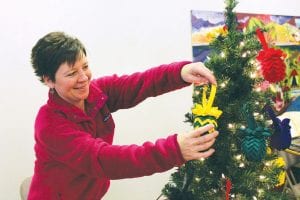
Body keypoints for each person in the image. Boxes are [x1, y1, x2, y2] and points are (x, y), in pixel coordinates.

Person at [28, 31, 219, 200]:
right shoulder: (50, 124)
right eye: (71, 74)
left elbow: (139, 83)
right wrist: (174, 149)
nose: (84, 78)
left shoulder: (95, 93)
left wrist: (180, 72)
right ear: (49, 80)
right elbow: (105, 159)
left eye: (85, 67)